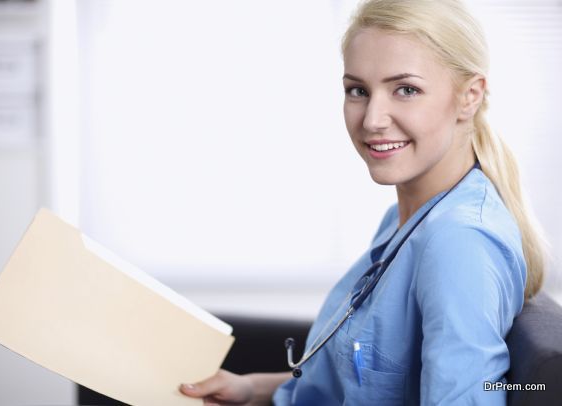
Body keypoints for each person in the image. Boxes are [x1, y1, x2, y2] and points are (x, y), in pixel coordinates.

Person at [179, 0, 547, 404]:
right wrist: (254, 390)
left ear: (470, 96)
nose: (372, 119)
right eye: (358, 90)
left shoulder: (458, 243)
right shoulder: (404, 219)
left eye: (406, 90)